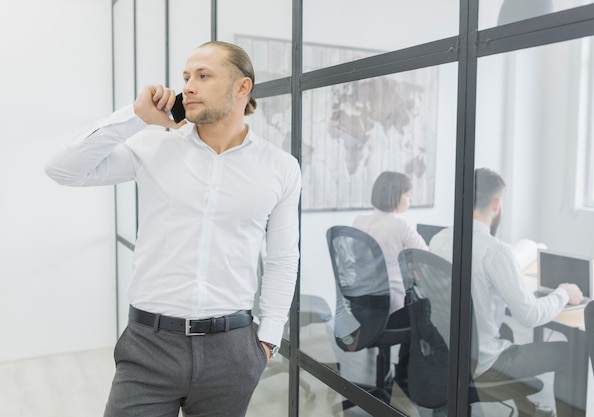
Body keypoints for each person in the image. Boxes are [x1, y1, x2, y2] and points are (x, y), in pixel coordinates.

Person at [45, 41, 301, 417]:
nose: (188, 86)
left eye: (203, 75)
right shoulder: (152, 148)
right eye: (185, 77)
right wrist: (136, 116)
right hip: (149, 346)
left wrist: (267, 340)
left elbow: (282, 258)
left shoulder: (280, 167)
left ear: (242, 87)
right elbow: (62, 169)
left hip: (233, 350)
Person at [429, 167, 583, 417]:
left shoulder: (439, 239)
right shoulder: (494, 250)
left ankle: (529, 411)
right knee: (569, 352)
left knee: (506, 330)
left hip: (447, 351)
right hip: (482, 362)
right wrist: (563, 293)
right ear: (497, 203)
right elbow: (530, 315)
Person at [334, 171, 428, 385]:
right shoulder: (400, 225)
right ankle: (405, 377)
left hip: (361, 309)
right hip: (389, 313)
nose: (411, 199)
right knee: (425, 312)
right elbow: (426, 260)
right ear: (396, 195)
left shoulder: (359, 220)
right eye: (408, 194)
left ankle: (398, 376)